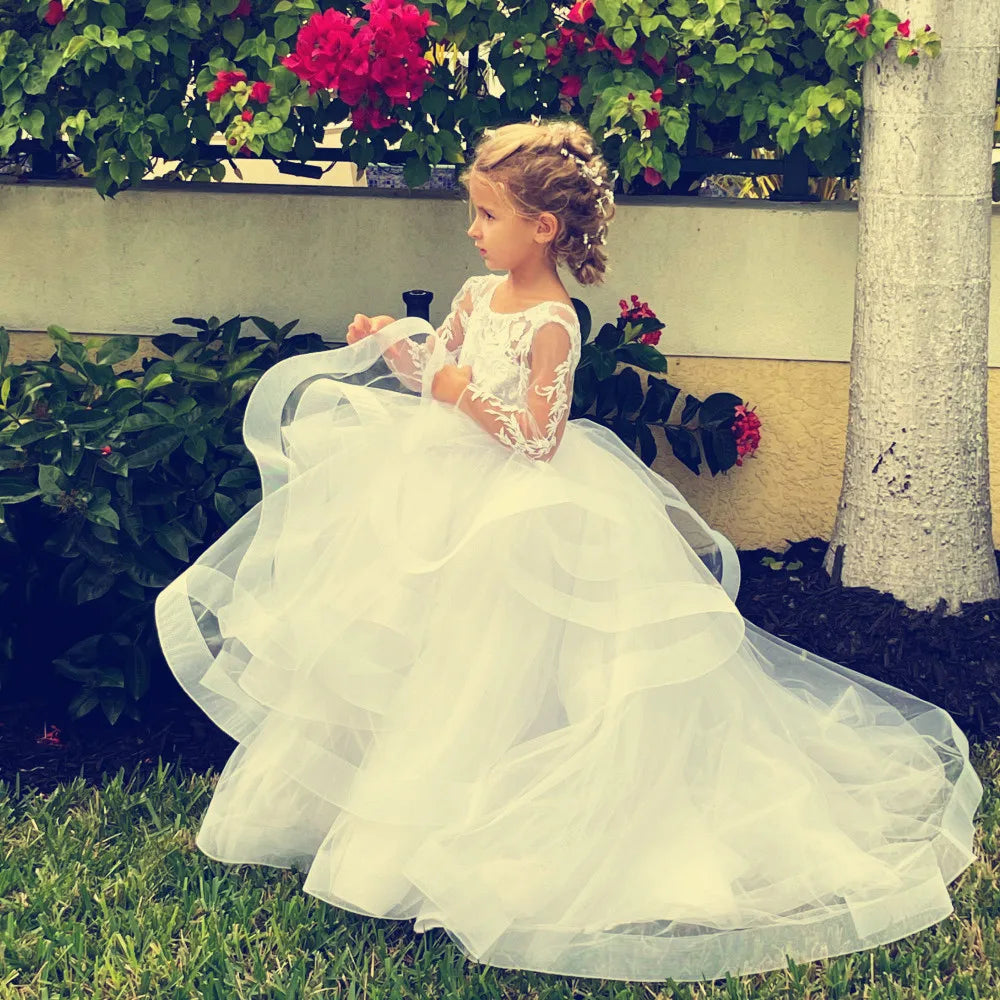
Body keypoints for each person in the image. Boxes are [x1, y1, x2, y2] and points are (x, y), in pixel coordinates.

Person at [155, 118, 982, 984]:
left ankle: (514, 829)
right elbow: (441, 376)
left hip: (524, 506)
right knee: (440, 666)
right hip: (441, 489)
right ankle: (409, 831)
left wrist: (450, 382)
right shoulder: (478, 296)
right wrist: (399, 350)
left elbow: (537, 433)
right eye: (473, 215)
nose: (473, 230)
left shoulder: (553, 317)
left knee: (514, 664)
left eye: (486, 216)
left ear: (542, 228)